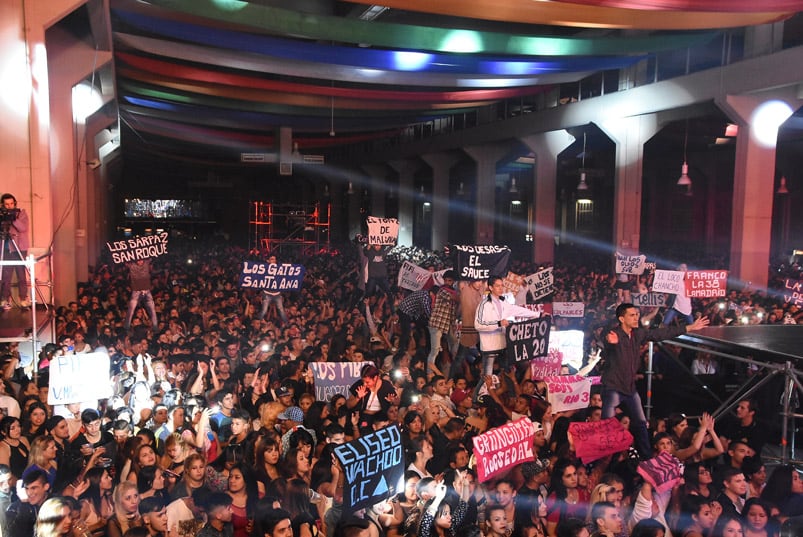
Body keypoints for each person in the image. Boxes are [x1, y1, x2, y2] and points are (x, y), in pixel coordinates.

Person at [602, 302, 709, 458]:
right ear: (621, 318)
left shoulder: (638, 334)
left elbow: (660, 334)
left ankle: (646, 459)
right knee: (607, 427)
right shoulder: (614, 334)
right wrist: (609, 341)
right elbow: (605, 338)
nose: (636, 317)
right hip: (613, 387)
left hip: (630, 388)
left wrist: (688, 328)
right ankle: (607, 461)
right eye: (632, 315)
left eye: (637, 314)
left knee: (640, 424)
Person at [475, 275, 541, 377]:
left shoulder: (503, 302)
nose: (501, 288)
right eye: (497, 286)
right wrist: (498, 323)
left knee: (508, 374)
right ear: (491, 288)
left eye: (502, 285)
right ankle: (482, 393)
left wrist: (538, 314)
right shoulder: (484, 304)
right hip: (489, 346)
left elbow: (518, 310)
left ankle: (507, 392)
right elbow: (478, 325)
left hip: (503, 344)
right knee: (486, 376)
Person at [0, 193, 31, 310]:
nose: (9, 206)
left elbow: (23, 228)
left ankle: (23, 299)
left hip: (19, 248)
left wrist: (13, 219)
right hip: (6, 248)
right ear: (2, 205)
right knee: (5, 275)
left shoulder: (21, 213)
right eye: (6, 204)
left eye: (11, 204)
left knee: (21, 274)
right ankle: (4, 299)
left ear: (15, 203)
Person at [6, 469, 50, 537]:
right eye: (26, 488)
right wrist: (24, 506)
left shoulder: (55, 505)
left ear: (46, 487)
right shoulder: (15, 508)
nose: (29, 493)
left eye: (33, 488)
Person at [124, 258, 158, 331]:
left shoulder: (146, 263)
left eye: (141, 260)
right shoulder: (132, 265)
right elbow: (125, 262)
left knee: (152, 309)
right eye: (138, 260)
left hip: (146, 290)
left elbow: (152, 257)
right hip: (136, 290)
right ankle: (126, 328)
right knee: (131, 309)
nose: (140, 261)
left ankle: (155, 327)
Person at [258, 255, 288, 325]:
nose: (273, 261)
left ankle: (287, 324)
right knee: (264, 310)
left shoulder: (280, 270)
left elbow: (283, 281)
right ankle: (257, 323)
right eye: (271, 259)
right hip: (267, 293)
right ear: (268, 261)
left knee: (281, 310)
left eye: (274, 259)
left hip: (277, 293)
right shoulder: (264, 270)